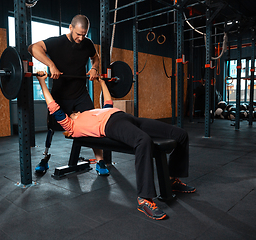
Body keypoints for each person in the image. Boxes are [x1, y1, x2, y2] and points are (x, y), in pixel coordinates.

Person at [36, 71, 196, 220]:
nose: (75, 112)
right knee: (143, 141)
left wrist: (101, 81)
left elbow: (108, 102)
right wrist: (42, 82)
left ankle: (172, 180)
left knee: (180, 134)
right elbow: (53, 107)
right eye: (73, 113)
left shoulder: (92, 111)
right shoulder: (71, 126)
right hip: (110, 125)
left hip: (126, 117)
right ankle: (144, 198)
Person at [28, 14, 108, 175]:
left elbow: (95, 57)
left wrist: (94, 68)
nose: (80, 38)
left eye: (84, 35)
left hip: (80, 94)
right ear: (70, 28)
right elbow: (33, 48)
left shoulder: (87, 44)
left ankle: (100, 161)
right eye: (78, 34)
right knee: (52, 127)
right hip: (60, 94)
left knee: (93, 126)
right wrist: (51, 65)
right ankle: (45, 158)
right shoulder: (57, 42)